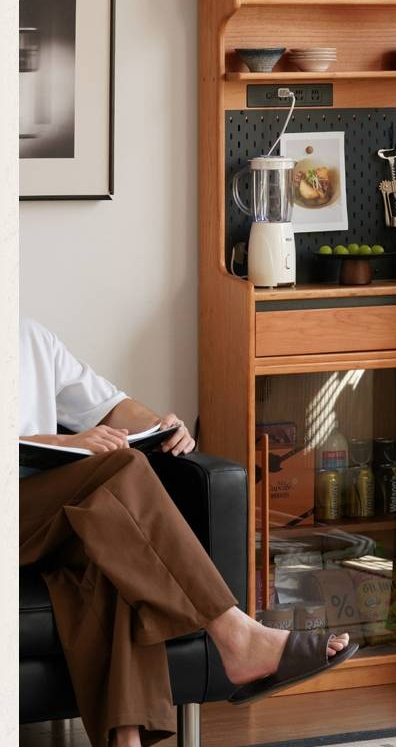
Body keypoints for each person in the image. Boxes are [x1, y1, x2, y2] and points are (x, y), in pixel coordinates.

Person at [19, 317, 357, 746]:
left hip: (50, 520)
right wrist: (69, 443)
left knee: (121, 554)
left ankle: (127, 740)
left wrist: (158, 425)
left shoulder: (30, 335)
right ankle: (237, 636)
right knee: (121, 472)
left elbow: (110, 405)